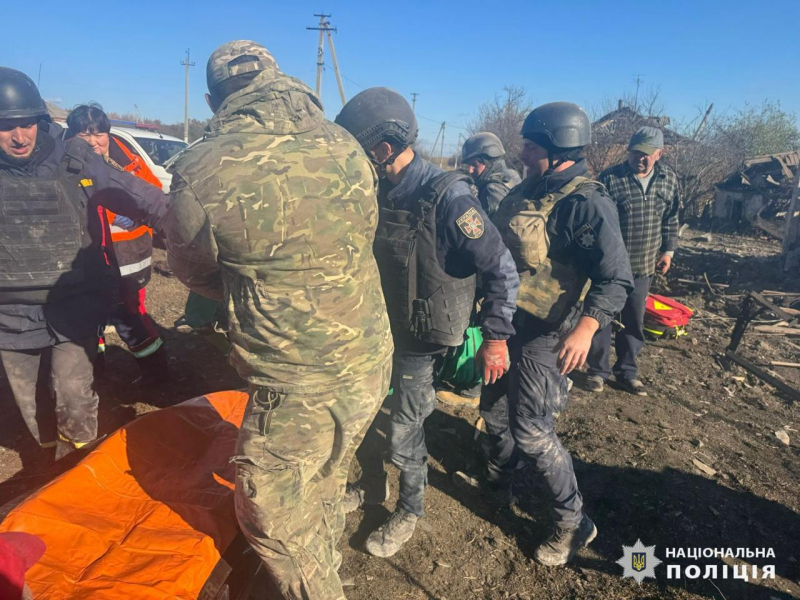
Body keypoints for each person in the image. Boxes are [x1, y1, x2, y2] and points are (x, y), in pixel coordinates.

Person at [163, 41, 393, 599]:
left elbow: (194, 273)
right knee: (325, 478)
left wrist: (254, 291)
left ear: (218, 99)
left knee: (268, 509)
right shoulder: (345, 144)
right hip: (369, 357)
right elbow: (361, 235)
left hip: (297, 383)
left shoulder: (200, 168)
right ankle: (323, 556)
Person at [334, 87, 519, 558]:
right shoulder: (375, 189)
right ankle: (371, 488)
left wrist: (496, 337)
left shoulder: (448, 196)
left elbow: (500, 266)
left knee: (404, 429)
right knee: (365, 417)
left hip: (419, 340)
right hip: (375, 331)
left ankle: (410, 508)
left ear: (382, 149)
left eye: (359, 151)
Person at [459, 102, 633, 566]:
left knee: (532, 430)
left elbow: (617, 278)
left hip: (547, 334)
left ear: (558, 150)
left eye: (531, 147)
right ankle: (499, 475)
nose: (522, 154)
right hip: (504, 324)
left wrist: (587, 328)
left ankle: (572, 523)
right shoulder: (527, 191)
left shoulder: (588, 203)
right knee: (493, 409)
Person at [0, 67, 166, 461]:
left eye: (26, 124)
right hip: (8, 316)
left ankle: (78, 463)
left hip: (71, 307)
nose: (19, 136)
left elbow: (143, 199)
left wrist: (192, 233)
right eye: (6, 126)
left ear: (40, 121)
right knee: (32, 405)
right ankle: (47, 465)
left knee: (74, 395)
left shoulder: (74, 158)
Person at [65, 104, 168, 385]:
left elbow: (155, 197)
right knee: (90, 320)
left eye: (99, 134)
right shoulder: (67, 165)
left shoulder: (129, 159)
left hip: (129, 259)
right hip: (90, 260)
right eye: (85, 136)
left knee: (130, 316)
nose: (94, 142)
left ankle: (157, 372)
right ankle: (95, 374)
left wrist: (137, 217)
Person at [585, 126, 680, 396]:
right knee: (602, 317)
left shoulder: (669, 181)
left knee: (633, 320)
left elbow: (671, 219)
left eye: (647, 154)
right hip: (608, 264)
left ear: (659, 154)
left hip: (643, 264)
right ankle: (598, 371)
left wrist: (668, 252)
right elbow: (596, 219)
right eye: (636, 152)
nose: (640, 158)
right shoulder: (611, 179)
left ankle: (627, 371)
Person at [460, 132, 521, 217]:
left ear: (489, 160)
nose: (470, 170)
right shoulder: (512, 175)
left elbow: (487, 228)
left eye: (475, 164)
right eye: (469, 165)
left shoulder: (491, 190)